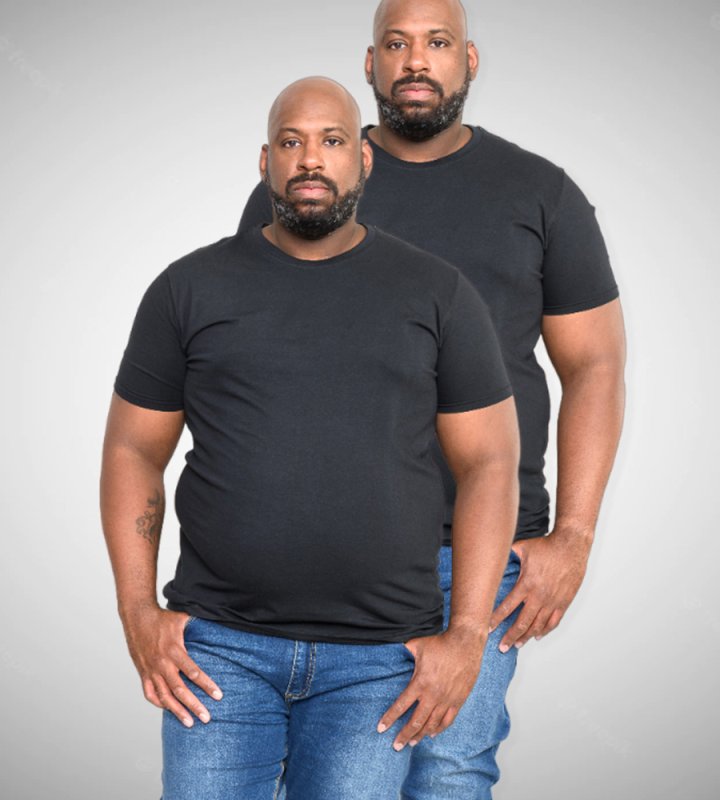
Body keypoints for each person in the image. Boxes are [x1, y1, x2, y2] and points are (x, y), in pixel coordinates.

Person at [239, 1, 627, 797]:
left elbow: (595, 365)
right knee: (324, 779)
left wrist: (575, 535)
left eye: (437, 43)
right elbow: (255, 364)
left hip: (477, 550)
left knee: (449, 767)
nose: (416, 61)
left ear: (469, 60)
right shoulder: (311, 184)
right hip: (328, 553)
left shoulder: (540, 193)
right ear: (370, 63)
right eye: (396, 44)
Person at [101, 76, 521, 799]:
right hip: (219, 651)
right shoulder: (188, 288)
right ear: (265, 160)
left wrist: (466, 635)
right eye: (291, 142)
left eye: (331, 141)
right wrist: (138, 611)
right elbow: (133, 450)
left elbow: (490, 461)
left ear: (364, 159)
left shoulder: (438, 293)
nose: (310, 159)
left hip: (379, 660)